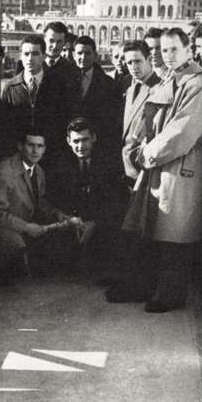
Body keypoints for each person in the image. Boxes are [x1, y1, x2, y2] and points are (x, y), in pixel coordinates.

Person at [119, 28, 202, 312]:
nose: (166, 55)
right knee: (157, 230)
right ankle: (151, 288)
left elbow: (182, 132)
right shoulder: (174, 79)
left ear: (188, 50)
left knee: (175, 234)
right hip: (163, 165)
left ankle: (170, 295)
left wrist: (147, 154)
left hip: (180, 166)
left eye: (173, 49)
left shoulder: (196, 85)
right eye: (163, 50)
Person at [0, 129, 82, 284]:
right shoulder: (3, 171)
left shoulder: (38, 171)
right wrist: (26, 227)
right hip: (5, 230)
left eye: (40, 146)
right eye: (30, 145)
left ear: (44, 149)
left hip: (28, 228)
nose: (35, 151)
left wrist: (61, 216)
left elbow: (41, 204)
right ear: (20, 146)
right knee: (16, 267)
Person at [51, 118, 127, 282]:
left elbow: (115, 201)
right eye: (76, 141)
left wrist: (95, 222)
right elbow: (56, 198)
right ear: (68, 141)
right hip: (73, 221)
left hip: (99, 222)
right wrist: (69, 219)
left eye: (85, 139)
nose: (81, 146)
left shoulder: (109, 163)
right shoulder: (61, 164)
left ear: (94, 138)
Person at [0, 34, 68, 165]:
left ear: (43, 56)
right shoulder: (11, 87)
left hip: (51, 156)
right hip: (19, 156)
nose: (30, 58)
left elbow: (64, 120)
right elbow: (4, 125)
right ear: (21, 56)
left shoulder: (58, 85)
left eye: (35, 53)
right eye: (26, 54)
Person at [70, 35, 122, 157]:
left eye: (87, 53)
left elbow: (111, 119)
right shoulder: (63, 80)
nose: (83, 57)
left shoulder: (109, 84)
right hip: (71, 144)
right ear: (73, 55)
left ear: (95, 55)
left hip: (98, 145)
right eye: (79, 53)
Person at [121, 40, 161, 183]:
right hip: (128, 168)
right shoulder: (131, 90)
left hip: (145, 169)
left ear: (149, 59)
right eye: (129, 63)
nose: (133, 67)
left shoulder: (160, 89)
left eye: (137, 61)